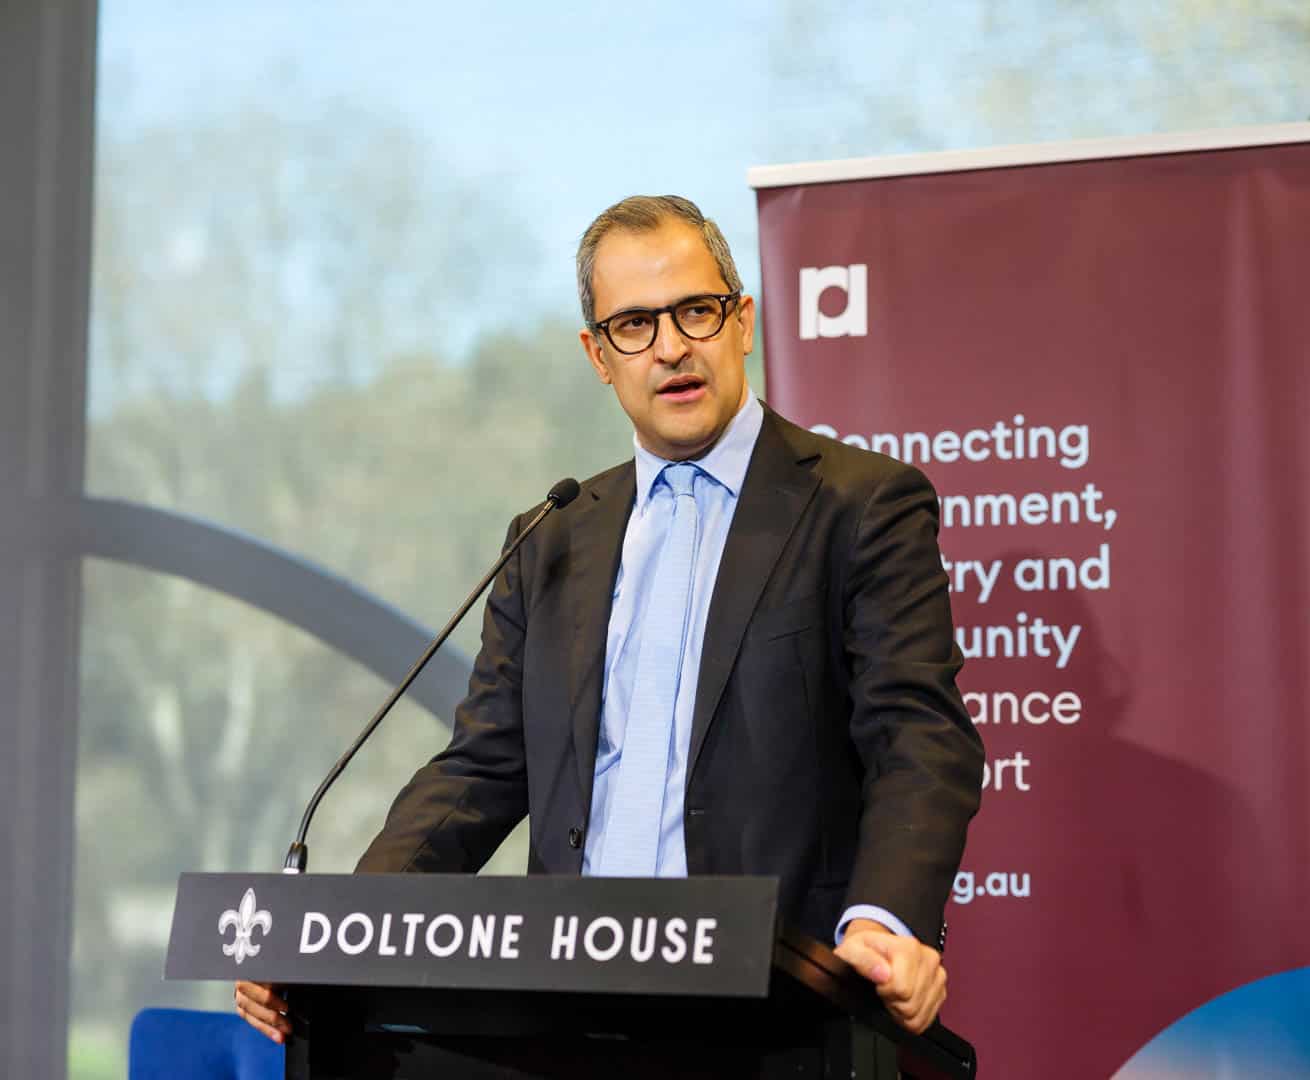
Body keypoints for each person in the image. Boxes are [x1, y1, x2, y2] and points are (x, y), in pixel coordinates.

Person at [237, 195, 983, 1044]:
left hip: (775, 1012)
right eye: (633, 324)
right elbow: (482, 767)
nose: (670, 347)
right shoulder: (552, 535)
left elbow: (918, 734)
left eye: (695, 311)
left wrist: (886, 919)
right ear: (598, 355)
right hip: (567, 1013)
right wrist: (342, 930)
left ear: (742, 322)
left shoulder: (859, 506)